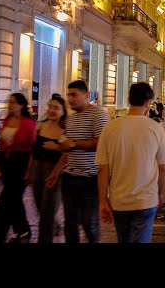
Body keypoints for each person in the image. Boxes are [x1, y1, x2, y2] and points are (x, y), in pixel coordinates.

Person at [96, 82, 165, 243]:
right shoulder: (155, 128)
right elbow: (163, 168)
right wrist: (160, 193)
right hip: (146, 200)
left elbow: (103, 169)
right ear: (148, 102)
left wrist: (103, 200)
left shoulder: (110, 128)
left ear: (129, 99)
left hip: (119, 201)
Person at [46, 80, 109, 243]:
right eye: (68, 95)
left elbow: (102, 144)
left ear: (86, 95)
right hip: (70, 178)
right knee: (70, 224)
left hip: (90, 179)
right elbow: (67, 151)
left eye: (74, 95)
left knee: (89, 224)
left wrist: (75, 143)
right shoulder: (71, 119)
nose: (70, 99)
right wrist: (55, 172)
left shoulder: (98, 115)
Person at [0, 93, 36, 243]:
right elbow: (3, 141)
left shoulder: (28, 123)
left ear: (21, 105)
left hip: (21, 164)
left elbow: (33, 148)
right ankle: (23, 230)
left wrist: (29, 170)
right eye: (9, 102)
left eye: (13, 102)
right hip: (7, 164)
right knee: (14, 200)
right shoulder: (7, 120)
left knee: (5, 203)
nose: (10, 105)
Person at [26, 93, 68, 243]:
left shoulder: (65, 130)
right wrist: (29, 170)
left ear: (63, 111)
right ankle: (55, 226)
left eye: (56, 108)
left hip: (54, 172)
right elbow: (33, 150)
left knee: (46, 214)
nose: (51, 110)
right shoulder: (41, 125)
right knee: (40, 207)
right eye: (50, 107)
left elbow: (66, 154)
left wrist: (56, 147)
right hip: (37, 169)